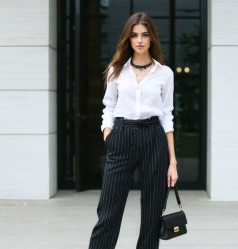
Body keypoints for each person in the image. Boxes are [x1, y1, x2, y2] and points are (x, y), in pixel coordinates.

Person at [88, 12, 178, 249]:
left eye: (144, 35)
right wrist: (109, 133)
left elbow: (167, 115)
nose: (139, 40)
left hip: (153, 138)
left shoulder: (164, 73)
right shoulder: (116, 70)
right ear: (128, 39)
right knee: (108, 211)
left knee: (152, 214)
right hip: (122, 135)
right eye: (134, 35)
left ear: (152, 38)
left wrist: (173, 162)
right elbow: (108, 106)